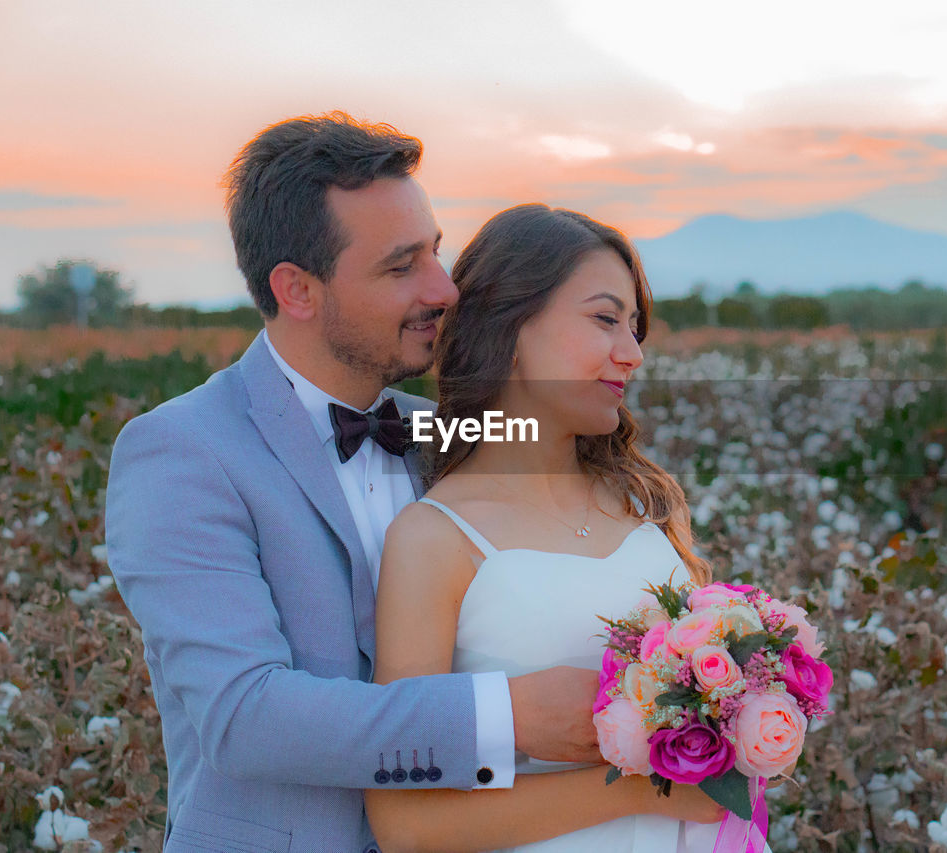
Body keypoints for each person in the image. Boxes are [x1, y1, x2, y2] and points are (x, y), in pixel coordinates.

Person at [105, 114, 620, 852]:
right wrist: (509, 716)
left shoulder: (450, 429)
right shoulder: (182, 451)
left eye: (437, 252)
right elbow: (243, 717)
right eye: (401, 265)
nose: (446, 289)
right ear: (298, 290)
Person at [366, 204, 749, 852]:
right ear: (511, 327)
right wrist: (635, 785)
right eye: (605, 319)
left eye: (634, 328)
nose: (630, 353)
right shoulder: (433, 537)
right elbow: (406, 821)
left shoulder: (641, 501)